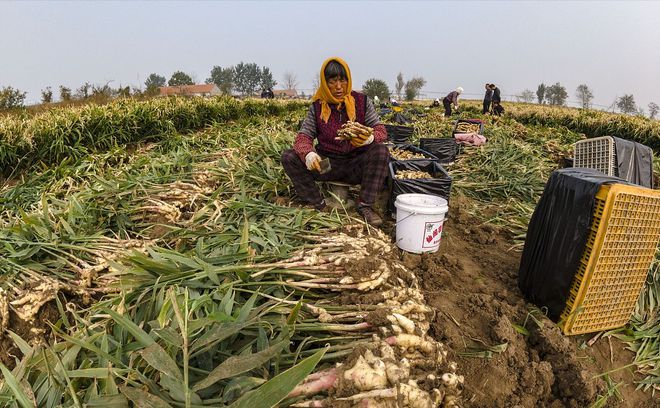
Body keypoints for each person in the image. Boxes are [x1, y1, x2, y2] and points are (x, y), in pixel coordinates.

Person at [281, 57, 389, 226]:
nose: (339, 87)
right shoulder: (317, 107)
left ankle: (365, 205)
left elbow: (381, 131)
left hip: (356, 165)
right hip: (327, 166)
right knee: (289, 157)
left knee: (381, 151)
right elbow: (303, 138)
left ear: (348, 80)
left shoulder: (362, 102)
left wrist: (370, 138)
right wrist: (308, 154)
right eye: (332, 81)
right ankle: (317, 203)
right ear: (325, 83)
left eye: (342, 80)